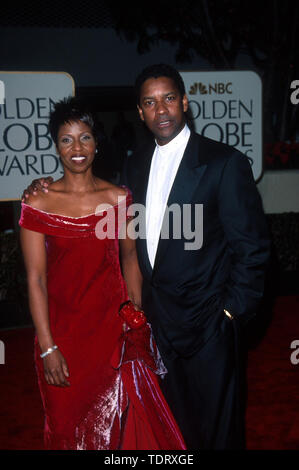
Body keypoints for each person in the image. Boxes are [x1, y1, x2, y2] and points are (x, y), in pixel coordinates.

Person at [23, 64, 270, 450]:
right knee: (170, 434)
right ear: (140, 112)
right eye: (150, 103)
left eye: (169, 98)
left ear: (185, 102)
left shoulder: (224, 163)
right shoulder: (134, 166)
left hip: (209, 328)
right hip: (154, 329)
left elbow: (254, 250)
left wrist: (230, 315)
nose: (162, 110)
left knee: (218, 433)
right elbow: (129, 253)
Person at [19, 96, 186, 450]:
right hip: (61, 337)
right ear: (56, 146)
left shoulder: (118, 199)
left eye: (85, 138)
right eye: (67, 139)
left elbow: (129, 257)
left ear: (97, 143)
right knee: (65, 429)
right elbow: (34, 278)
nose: (77, 148)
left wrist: (135, 315)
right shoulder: (38, 203)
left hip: (112, 335)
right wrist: (48, 347)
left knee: (118, 429)